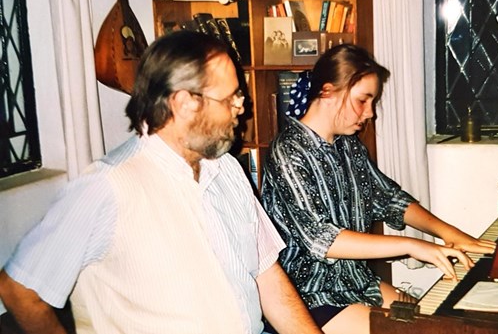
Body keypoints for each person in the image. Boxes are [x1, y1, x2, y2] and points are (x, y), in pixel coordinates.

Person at [0, 31, 323, 334]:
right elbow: (19, 289)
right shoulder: (107, 186)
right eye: (230, 99)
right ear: (184, 103)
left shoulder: (227, 169)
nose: (242, 107)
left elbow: (267, 276)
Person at [260, 44, 496, 334]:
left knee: (434, 322)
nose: (370, 113)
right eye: (363, 100)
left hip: (355, 282)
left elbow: (390, 199)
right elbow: (324, 240)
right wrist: (412, 245)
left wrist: (452, 235)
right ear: (328, 92)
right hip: (307, 295)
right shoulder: (287, 152)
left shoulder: (349, 145)